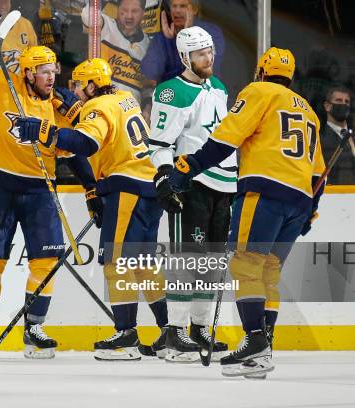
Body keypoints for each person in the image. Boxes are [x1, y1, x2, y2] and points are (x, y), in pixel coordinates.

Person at [168, 47, 325, 378]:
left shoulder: (258, 91)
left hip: (265, 191)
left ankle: (254, 341)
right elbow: (318, 174)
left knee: (246, 264)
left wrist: (191, 165)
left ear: (263, 71)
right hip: (299, 201)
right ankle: (264, 346)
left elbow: (226, 138)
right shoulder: (308, 110)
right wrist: (311, 209)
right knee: (269, 271)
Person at [0, 7, 86, 359]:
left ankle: (34, 326)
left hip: (41, 188)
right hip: (1, 187)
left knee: (46, 260)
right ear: (27, 72)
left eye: (53, 71)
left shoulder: (58, 103)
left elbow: (79, 143)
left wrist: (90, 183)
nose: (50, 77)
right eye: (43, 72)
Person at [17, 58, 169, 361]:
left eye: (77, 84)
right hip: (148, 186)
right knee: (142, 264)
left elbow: (86, 142)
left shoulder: (96, 108)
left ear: (90, 85)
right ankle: (169, 331)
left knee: (117, 262)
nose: (74, 90)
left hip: (127, 187)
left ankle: (126, 334)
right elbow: (102, 140)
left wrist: (44, 130)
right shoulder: (125, 98)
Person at [147, 26, 235, 362]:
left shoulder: (220, 88)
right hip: (193, 183)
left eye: (210, 52)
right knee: (187, 259)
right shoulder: (171, 92)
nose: (207, 58)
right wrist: (165, 177)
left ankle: (199, 328)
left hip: (224, 184)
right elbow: (159, 142)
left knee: (211, 261)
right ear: (185, 57)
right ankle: (175, 333)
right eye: (200, 54)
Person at [140, 0, 224, 119]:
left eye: (183, 6)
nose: (177, 10)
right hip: (171, 107)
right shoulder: (163, 37)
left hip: (204, 105)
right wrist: (148, 108)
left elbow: (204, 70)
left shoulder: (211, 32)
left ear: (194, 10)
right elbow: (149, 75)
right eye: (174, 6)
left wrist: (186, 37)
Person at [81, 0, 151, 104]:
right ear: (117, 9)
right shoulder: (106, 25)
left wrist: (148, 106)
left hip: (130, 111)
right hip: (102, 104)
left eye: (135, 11)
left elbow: (147, 88)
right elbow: (87, 17)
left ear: (143, 13)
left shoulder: (148, 45)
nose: (129, 16)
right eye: (124, 10)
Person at [320, 86, 354, 184]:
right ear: (327, 106)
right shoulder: (319, 138)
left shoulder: (352, 135)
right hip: (335, 195)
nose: (343, 104)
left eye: (347, 102)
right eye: (339, 100)